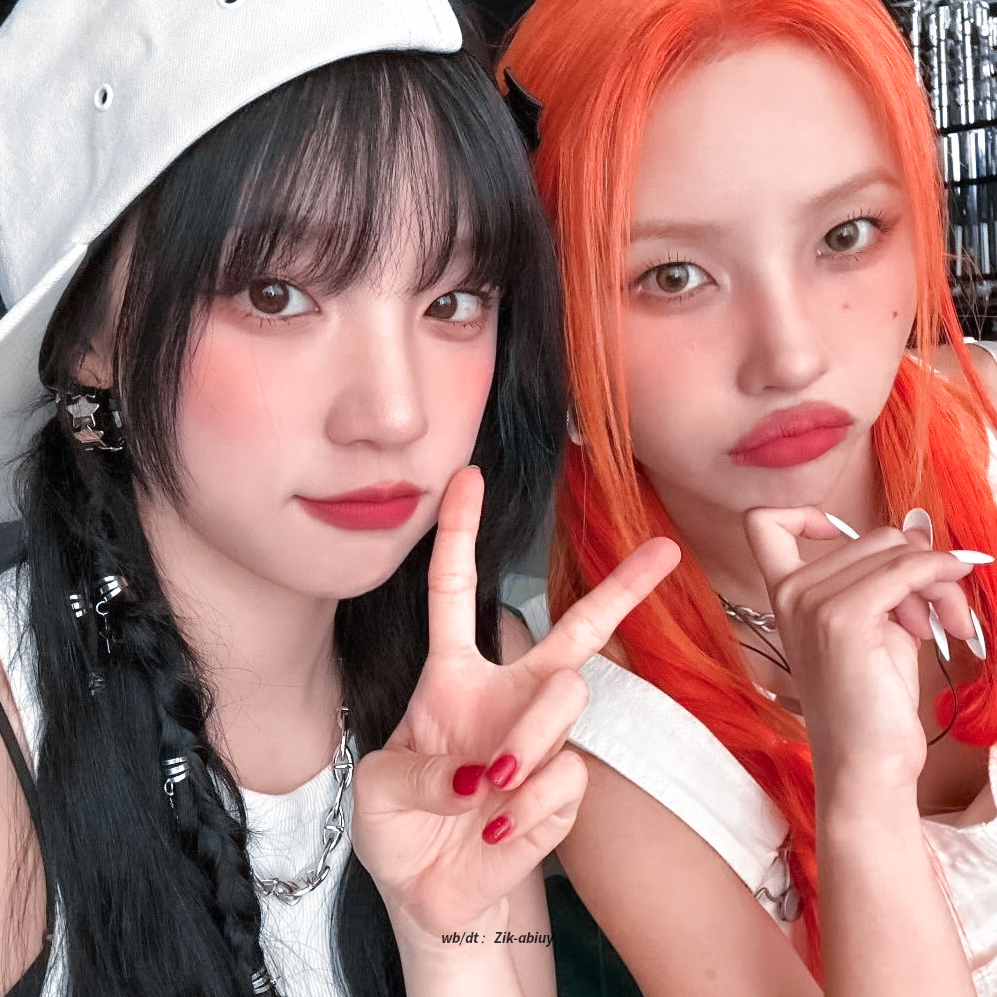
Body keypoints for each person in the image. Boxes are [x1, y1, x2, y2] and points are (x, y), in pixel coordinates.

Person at [0, 2, 679, 995]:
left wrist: (452, 935)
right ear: (88, 337)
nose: (394, 415)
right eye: (277, 295)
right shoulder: (18, 742)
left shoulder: (469, 677)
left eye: (452, 301)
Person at [501, 0, 997, 993]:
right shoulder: (608, 739)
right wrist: (861, 797)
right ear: (548, 320)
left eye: (846, 233)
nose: (791, 356)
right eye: (672, 275)